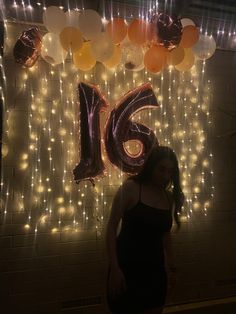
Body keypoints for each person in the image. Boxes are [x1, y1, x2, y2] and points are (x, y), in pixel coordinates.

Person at [106, 145, 184, 314]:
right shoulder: (131, 188)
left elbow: (165, 236)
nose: (166, 176)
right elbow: (112, 227)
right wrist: (114, 269)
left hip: (155, 272)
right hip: (127, 270)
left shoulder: (167, 198)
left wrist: (173, 268)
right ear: (151, 166)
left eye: (170, 171)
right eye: (161, 169)